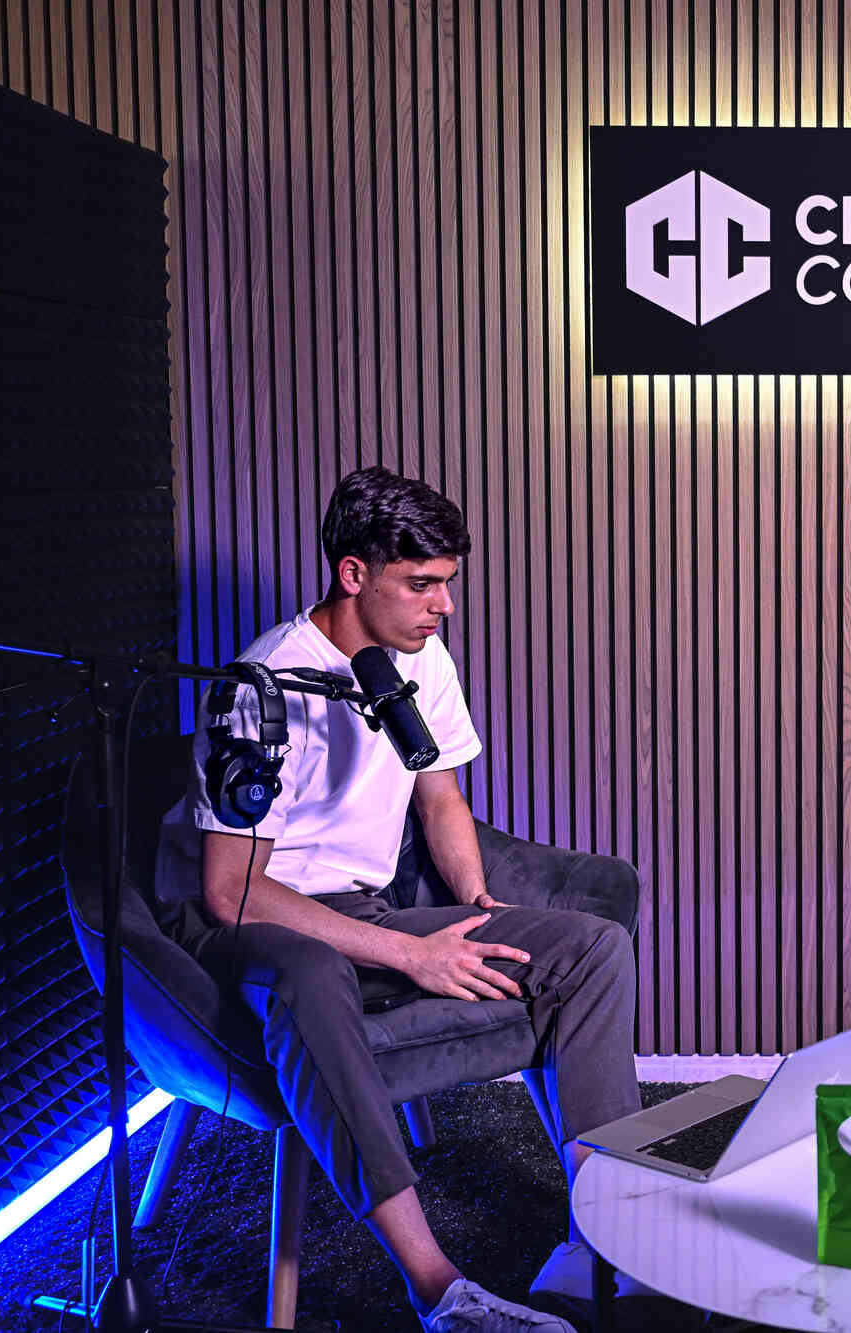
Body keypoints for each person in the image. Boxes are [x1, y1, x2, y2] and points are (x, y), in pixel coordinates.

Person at [154, 466, 643, 1333]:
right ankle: (441, 1293)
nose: (442, 604)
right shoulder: (260, 687)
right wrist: (415, 954)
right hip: (258, 923)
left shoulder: (419, 658)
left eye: (446, 582)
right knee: (310, 971)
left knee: (592, 946)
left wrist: (479, 903)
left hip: (364, 907)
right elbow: (230, 890)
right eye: (421, 583)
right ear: (354, 573)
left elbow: (441, 798)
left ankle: (603, 1237)